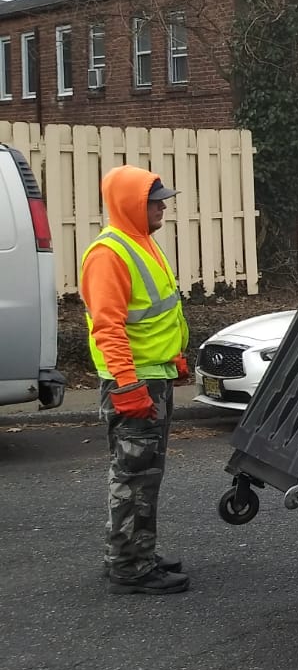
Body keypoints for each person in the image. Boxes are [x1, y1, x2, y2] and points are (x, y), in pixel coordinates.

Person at [81, 166, 192, 595]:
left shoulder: (140, 244)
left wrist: (174, 357)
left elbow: (159, 314)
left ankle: (135, 549)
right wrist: (128, 385)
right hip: (135, 383)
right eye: (155, 200)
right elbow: (107, 328)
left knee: (143, 474)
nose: (163, 205)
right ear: (131, 205)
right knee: (133, 476)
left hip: (151, 377)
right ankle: (130, 566)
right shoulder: (110, 253)